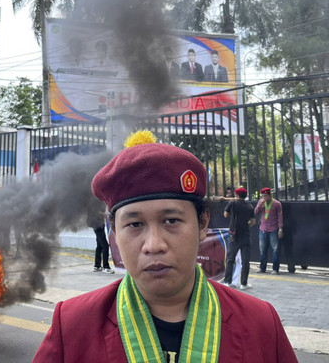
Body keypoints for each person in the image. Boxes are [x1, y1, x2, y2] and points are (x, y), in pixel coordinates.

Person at [34, 131, 297, 362]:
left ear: (202, 223)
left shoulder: (261, 323)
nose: (154, 245)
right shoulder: (71, 326)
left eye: (171, 221)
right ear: (114, 231)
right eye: (135, 225)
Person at [221, 186, 256, 290]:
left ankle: (227, 282)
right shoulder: (249, 206)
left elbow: (226, 215)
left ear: (236, 195)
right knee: (245, 260)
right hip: (245, 235)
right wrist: (246, 225)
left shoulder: (232, 203)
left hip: (234, 235)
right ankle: (243, 284)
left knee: (230, 259)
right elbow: (253, 222)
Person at [254, 188, 284, 274]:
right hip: (263, 229)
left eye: (266, 196)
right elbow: (255, 212)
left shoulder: (277, 204)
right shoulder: (261, 202)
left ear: (270, 195)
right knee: (262, 250)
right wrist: (260, 205)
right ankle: (262, 268)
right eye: (263, 196)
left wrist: (280, 229)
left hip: (273, 229)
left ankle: (275, 269)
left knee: (275, 249)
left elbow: (280, 217)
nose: (264, 198)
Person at [87, 204, 115, 274]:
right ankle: (106, 267)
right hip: (97, 226)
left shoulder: (94, 201)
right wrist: (104, 214)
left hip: (99, 225)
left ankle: (97, 266)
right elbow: (94, 211)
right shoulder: (94, 202)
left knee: (99, 246)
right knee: (105, 246)